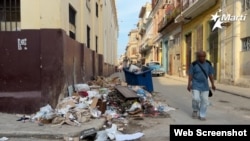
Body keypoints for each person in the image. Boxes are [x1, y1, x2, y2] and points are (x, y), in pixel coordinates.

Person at [187, 51, 216, 121]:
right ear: (198, 57)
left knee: (205, 100)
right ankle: (195, 109)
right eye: (201, 56)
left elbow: (210, 75)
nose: (202, 58)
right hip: (195, 84)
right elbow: (190, 75)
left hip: (205, 85)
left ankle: (202, 114)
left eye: (204, 56)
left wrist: (212, 84)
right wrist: (189, 84)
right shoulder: (193, 64)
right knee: (195, 98)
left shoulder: (208, 64)